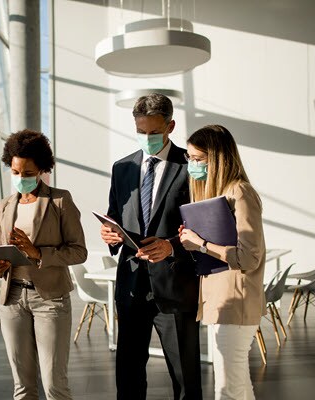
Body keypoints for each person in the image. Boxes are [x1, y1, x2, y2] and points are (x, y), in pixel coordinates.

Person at [100, 93, 202, 400]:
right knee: (128, 374)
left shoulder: (191, 165)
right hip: (131, 284)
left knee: (185, 375)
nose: (147, 138)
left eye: (154, 133)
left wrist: (171, 247)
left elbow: (204, 225)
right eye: (141, 132)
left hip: (174, 284)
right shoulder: (122, 168)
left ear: (170, 126)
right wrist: (110, 234)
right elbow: (114, 215)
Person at [0, 129, 88, 400]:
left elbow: (79, 252)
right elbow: (3, 251)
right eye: (16, 172)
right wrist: (0, 266)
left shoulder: (59, 200)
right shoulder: (3, 205)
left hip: (50, 300)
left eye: (28, 173)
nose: (21, 178)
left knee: (55, 385)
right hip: (12, 300)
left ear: (43, 169)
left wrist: (38, 253)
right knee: (22, 386)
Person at [179, 125, 266, 400]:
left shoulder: (240, 193)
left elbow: (249, 257)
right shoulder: (216, 195)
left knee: (226, 389)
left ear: (217, 159)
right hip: (219, 301)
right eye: (189, 159)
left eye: (198, 159)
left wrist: (201, 244)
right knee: (239, 385)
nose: (192, 165)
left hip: (235, 303)